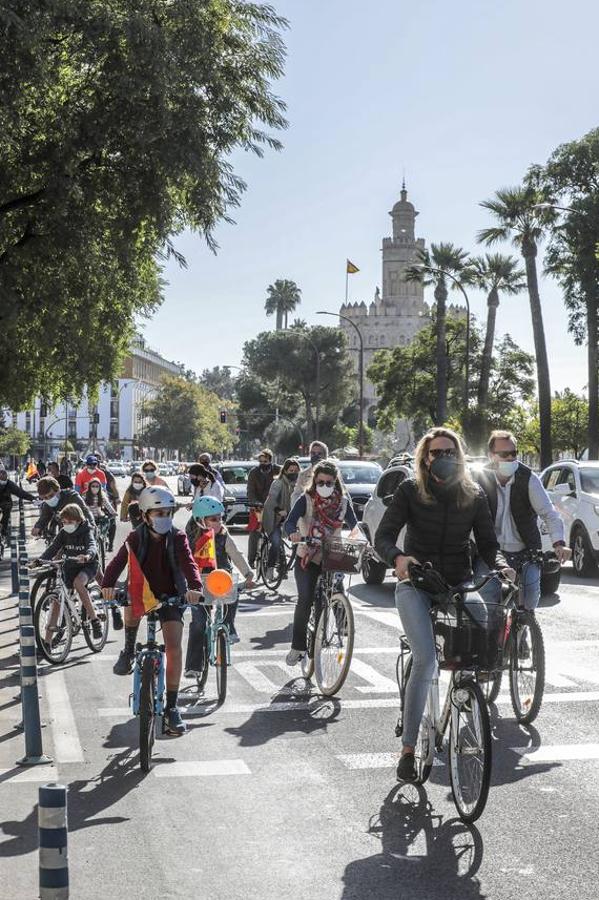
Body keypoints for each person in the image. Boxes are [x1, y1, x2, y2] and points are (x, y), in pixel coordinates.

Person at [374, 426, 514, 783]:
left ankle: (466, 692)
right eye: (436, 453)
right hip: (416, 584)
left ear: (460, 456)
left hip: (459, 583)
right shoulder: (409, 490)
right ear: (425, 458)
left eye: (450, 452)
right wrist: (398, 558)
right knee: (425, 659)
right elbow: (384, 536)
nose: (444, 458)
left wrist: (499, 565)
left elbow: (487, 543)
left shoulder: (473, 494)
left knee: (482, 633)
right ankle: (408, 750)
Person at [101, 486, 203, 735]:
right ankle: (128, 650)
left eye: (168, 513)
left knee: (174, 646)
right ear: (145, 515)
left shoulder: (178, 537)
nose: (164, 518)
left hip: (171, 596)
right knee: (129, 602)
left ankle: (171, 707)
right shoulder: (135, 537)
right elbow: (117, 563)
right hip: (142, 592)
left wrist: (195, 587)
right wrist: (107, 586)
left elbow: (189, 563)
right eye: (158, 513)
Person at [473, 429, 570, 611]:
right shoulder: (478, 479)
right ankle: (493, 637)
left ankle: (523, 634)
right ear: (491, 456)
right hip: (490, 553)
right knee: (489, 606)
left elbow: (549, 513)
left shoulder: (528, 478)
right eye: (504, 454)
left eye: (514, 453)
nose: (510, 458)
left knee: (529, 603)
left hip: (526, 552)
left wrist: (559, 543)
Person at [284, 459, 359, 666]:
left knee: (333, 592)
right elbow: (289, 522)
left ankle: (339, 628)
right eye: (321, 482)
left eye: (329, 483)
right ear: (314, 481)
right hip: (307, 555)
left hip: (333, 555)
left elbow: (354, 525)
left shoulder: (344, 502)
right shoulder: (305, 499)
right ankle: (297, 647)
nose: (325, 486)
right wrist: (293, 533)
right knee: (306, 599)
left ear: (336, 482)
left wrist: (363, 539)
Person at [184, 496, 255, 679]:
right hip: (198, 583)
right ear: (201, 520)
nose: (218, 522)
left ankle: (229, 626)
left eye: (220, 518)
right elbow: (182, 561)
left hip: (221, 579)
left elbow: (236, 555)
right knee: (199, 624)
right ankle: (193, 666)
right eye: (213, 519)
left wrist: (248, 574)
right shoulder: (188, 537)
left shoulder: (223, 534)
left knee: (233, 591)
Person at [30, 503, 103, 642]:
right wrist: (39, 561)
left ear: (79, 520)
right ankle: (47, 642)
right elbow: (52, 548)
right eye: (64, 522)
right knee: (56, 601)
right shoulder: (63, 533)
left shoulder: (87, 531)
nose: (66, 524)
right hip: (70, 567)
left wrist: (87, 556)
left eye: (70, 522)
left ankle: (94, 620)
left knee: (78, 583)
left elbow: (92, 546)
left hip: (88, 565)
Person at [262, 457, 301, 581]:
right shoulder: (278, 483)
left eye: (296, 470)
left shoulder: (299, 486)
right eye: (291, 470)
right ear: (284, 471)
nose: (293, 473)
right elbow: (270, 501)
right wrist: (279, 510)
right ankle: (270, 567)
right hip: (275, 518)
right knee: (276, 542)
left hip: (292, 519)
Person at [246, 448, 280, 570]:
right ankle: (251, 560)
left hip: (275, 506)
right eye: (260, 461)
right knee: (255, 532)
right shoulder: (253, 473)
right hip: (258, 506)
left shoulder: (278, 470)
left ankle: (280, 562)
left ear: (270, 461)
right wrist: (255, 502)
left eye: (265, 461)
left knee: (277, 533)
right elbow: (250, 491)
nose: (262, 464)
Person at [291, 440, 329, 505]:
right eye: (313, 453)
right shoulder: (303, 475)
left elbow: (343, 495)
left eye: (319, 454)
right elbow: (296, 495)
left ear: (325, 456)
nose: (316, 456)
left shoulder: (333, 473)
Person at [0, 467, 34, 539]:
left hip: (6, 503)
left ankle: (3, 533)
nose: (3, 482)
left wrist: (33, 498)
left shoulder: (9, 484)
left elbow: (20, 492)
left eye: (5, 480)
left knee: (6, 512)